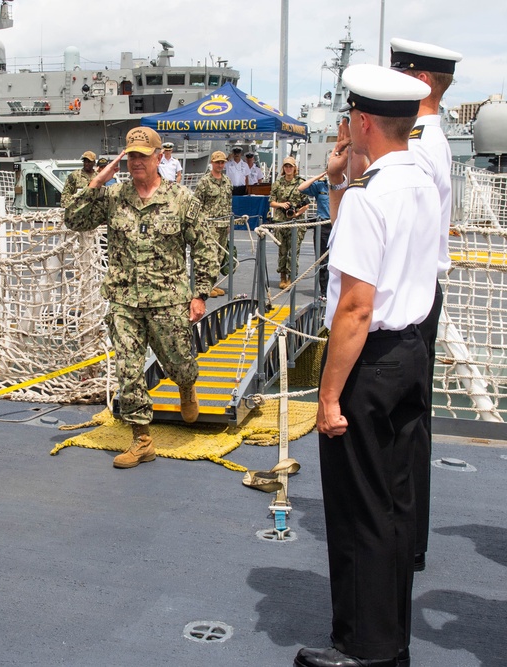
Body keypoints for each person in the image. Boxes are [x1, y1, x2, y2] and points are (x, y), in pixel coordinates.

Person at [295, 64, 436, 667]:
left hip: (369, 365)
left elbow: (354, 308)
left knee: (359, 511)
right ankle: (391, 637)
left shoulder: (370, 197)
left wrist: (328, 399)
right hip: (410, 355)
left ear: (360, 122)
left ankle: (363, 649)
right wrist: (340, 182)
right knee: (397, 505)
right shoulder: (422, 181)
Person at [64, 126, 218, 468]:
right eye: (130, 155)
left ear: (159, 157)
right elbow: (73, 219)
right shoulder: (113, 197)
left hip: (168, 301)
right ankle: (141, 439)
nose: (136, 162)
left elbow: (207, 248)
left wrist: (200, 294)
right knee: (128, 369)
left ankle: (187, 386)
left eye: (142, 156)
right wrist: (97, 182)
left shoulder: (181, 200)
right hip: (124, 300)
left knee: (178, 362)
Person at [391, 37, 463, 574]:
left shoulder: (417, 141)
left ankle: (402, 536)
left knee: (402, 424)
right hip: (423, 292)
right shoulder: (433, 139)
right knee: (412, 422)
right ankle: (408, 535)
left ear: (419, 84)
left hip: (410, 297)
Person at [193, 150, 233, 296]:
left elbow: (229, 203)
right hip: (209, 226)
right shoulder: (204, 182)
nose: (220, 165)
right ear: (212, 163)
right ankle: (204, 287)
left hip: (223, 224)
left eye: (222, 162)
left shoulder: (227, 181)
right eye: (218, 162)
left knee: (219, 256)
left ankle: (213, 284)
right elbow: (196, 203)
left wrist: (229, 222)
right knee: (208, 256)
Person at [269, 156, 310, 289]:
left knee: (294, 250)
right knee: (282, 250)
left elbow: (306, 203)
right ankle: (282, 277)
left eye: (290, 166)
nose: (288, 168)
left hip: (296, 222)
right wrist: (281, 205)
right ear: (283, 168)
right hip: (281, 221)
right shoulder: (277, 183)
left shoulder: (301, 183)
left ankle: (292, 277)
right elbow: (272, 202)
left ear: (295, 168)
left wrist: (297, 213)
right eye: (286, 166)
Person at [298, 169, 331, 298]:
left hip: (337, 225)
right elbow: (301, 188)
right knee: (322, 259)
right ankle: (324, 291)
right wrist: (319, 176)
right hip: (322, 225)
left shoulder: (343, 186)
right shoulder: (320, 186)